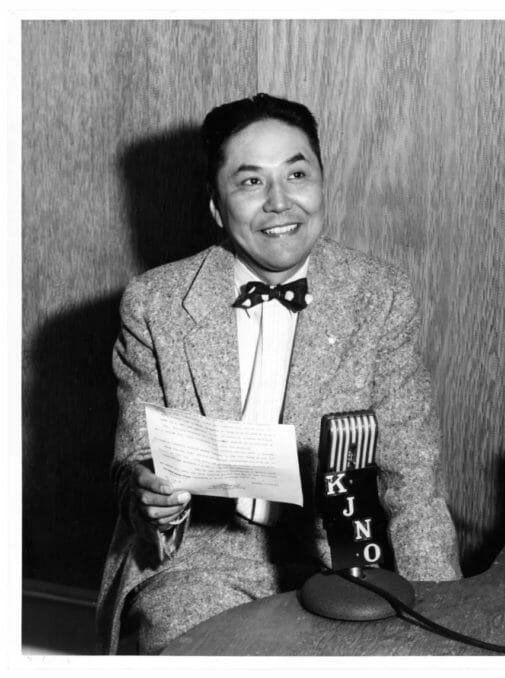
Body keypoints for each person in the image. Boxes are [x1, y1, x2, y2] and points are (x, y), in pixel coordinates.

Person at [95, 93, 462, 654]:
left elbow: (411, 477)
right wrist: (150, 497)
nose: (279, 202)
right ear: (217, 206)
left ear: (322, 183)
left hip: (344, 556)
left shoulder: (380, 295)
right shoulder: (154, 303)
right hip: (204, 555)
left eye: (297, 174)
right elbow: (135, 461)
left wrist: (440, 615)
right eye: (250, 181)